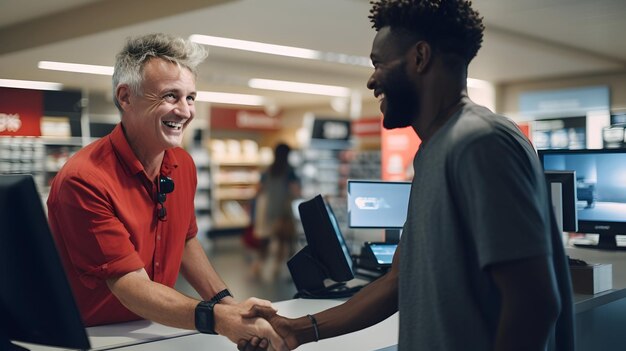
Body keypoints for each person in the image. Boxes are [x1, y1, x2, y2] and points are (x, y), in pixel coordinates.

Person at [240, 1, 575, 350]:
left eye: (378, 63)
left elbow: (534, 303)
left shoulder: (480, 142)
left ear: (419, 57)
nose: (371, 80)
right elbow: (398, 280)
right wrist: (297, 330)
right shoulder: (435, 150)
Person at [47, 33, 286, 351]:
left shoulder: (182, 164)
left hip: (154, 327)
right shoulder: (84, 179)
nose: (185, 111)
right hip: (92, 337)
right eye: (170, 96)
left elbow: (184, 241)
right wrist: (217, 318)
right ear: (126, 98)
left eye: (191, 98)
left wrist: (230, 306)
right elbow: (128, 284)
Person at [249, 143, 301, 280]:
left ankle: (257, 267)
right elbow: (296, 191)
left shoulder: (269, 170)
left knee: (265, 241)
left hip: (267, 210)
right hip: (283, 210)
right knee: (285, 239)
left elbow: (258, 189)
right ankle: (278, 268)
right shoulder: (290, 171)